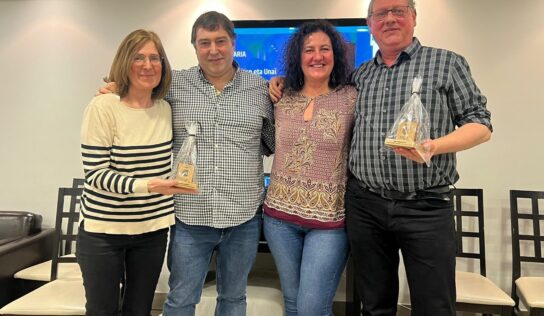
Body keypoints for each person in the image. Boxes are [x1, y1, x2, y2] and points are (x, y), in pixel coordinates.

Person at [270, 0, 493, 315]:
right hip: (366, 207)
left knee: (434, 306)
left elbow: (480, 125)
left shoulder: (446, 64)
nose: (390, 19)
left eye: (398, 11)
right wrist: (277, 81)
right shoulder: (361, 77)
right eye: (381, 14)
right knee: (374, 305)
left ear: (413, 17)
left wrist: (433, 147)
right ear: (370, 23)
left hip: (424, 207)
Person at [99, 11, 275, 316]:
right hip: (190, 217)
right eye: (204, 42)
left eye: (221, 41)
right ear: (194, 46)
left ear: (233, 43)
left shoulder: (259, 90)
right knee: (181, 300)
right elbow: (136, 97)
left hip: (244, 218)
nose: (213, 50)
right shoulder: (172, 85)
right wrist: (114, 91)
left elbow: (269, 143)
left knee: (234, 298)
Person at [78, 29, 195, 316]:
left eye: (154, 58)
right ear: (124, 62)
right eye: (139, 57)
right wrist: (149, 186)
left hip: (152, 231)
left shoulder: (165, 109)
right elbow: (95, 174)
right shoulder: (103, 106)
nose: (147, 65)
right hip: (104, 233)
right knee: (101, 311)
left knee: (140, 311)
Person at [263, 20, 355, 316]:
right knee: (292, 302)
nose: (317, 56)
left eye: (325, 49)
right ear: (298, 57)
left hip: (329, 223)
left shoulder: (352, 97)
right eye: (309, 50)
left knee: (311, 308)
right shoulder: (280, 96)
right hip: (278, 219)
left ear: (335, 54)